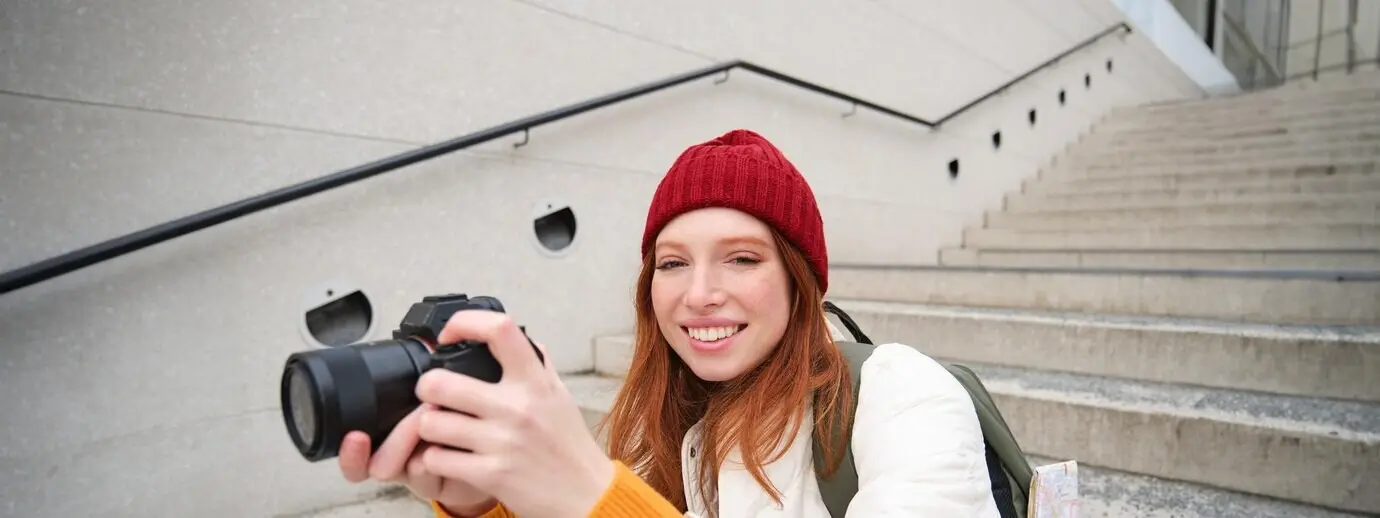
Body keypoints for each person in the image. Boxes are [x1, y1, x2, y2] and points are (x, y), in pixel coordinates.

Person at [337, 129, 1002, 518]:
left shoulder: (902, 392)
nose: (700, 294)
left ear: (802, 285)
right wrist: (487, 508)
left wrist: (595, 494)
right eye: (672, 263)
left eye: (742, 259)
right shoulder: (663, 430)